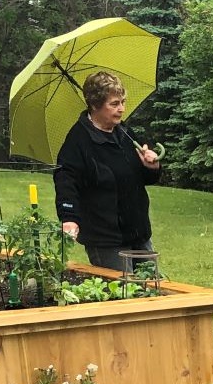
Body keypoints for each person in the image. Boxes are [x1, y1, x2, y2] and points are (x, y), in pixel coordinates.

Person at [53, 71, 161, 272]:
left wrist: (151, 167)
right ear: (95, 105)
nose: (121, 109)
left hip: (139, 233)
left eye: (123, 102)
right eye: (114, 104)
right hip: (106, 240)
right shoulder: (78, 141)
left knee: (152, 291)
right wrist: (69, 217)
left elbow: (138, 178)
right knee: (122, 296)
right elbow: (66, 181)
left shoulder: (125, 133)